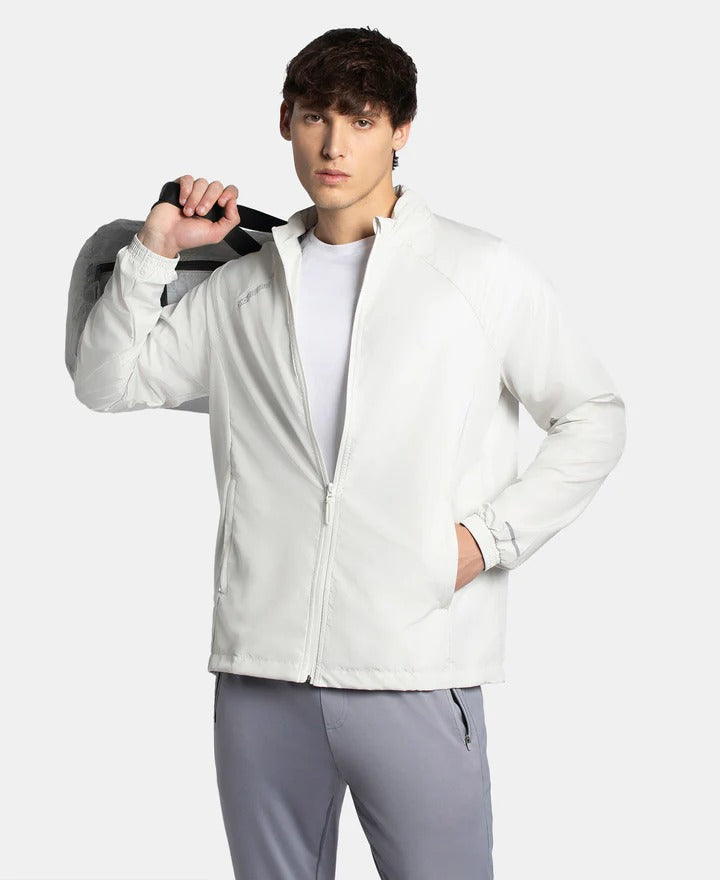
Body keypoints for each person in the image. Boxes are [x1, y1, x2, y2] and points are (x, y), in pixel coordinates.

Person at [73, 25, 627, 880]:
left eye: (362, 120)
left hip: (413, 665)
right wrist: (156, 249)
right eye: (316, 117)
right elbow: (107, 382)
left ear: (401, 130)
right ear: (286, 122)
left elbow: (593, 415)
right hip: (260, 674)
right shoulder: (242, 287)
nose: (334, 145)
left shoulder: (478, 273)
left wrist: (483, 541)